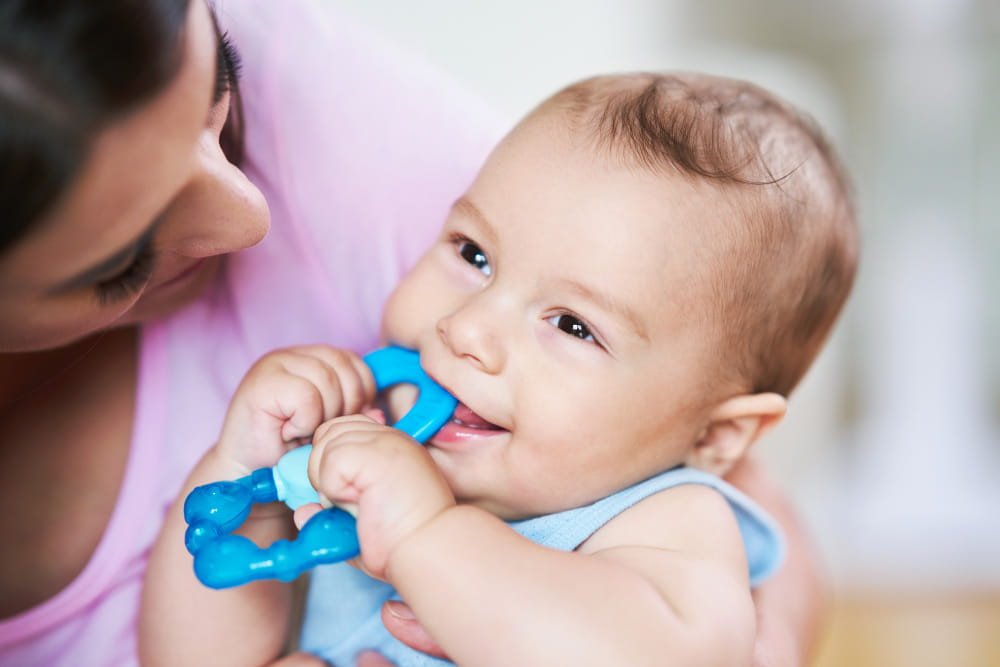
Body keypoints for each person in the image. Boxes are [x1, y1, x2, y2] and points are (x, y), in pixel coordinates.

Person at [0, 1, 827, 665]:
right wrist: (238, 475)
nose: (467, 330)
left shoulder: (667, 520)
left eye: (572, 324)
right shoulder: (382, 454)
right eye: (472, 255)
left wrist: (426, 534)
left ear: (719, 433)